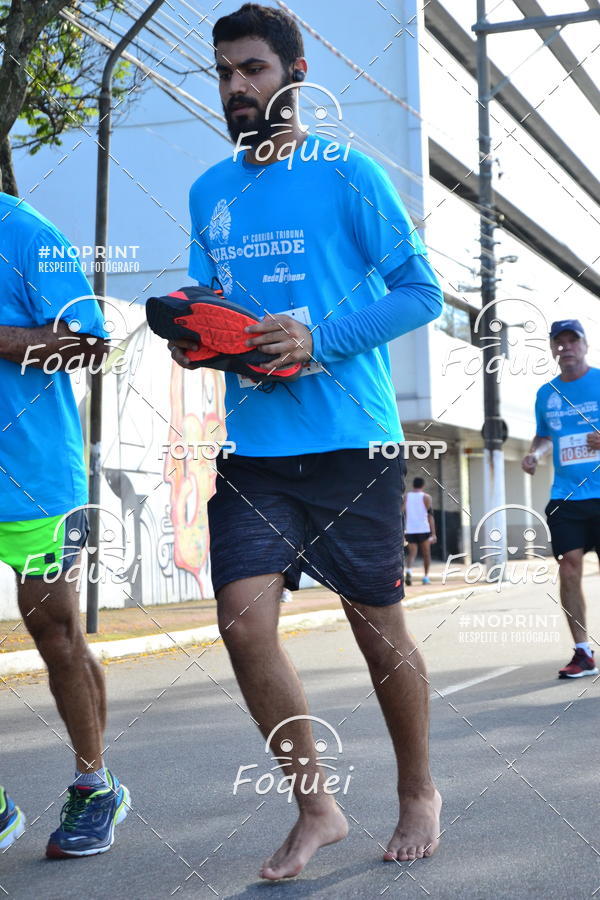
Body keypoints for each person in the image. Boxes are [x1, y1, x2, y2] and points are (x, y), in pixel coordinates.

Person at [168, 3, 444, 878]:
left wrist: (318, 337)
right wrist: (195, 334)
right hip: (254, 452)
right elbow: (217, 310)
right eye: (222, 72)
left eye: (251, 68)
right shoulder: (209, 191)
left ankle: (417, 791)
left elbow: (420, 291)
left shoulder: (348, 173)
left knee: (377, 631)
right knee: (244, 626)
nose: (236, 87)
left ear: (294, 75)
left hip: (350, 443)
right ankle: (315, 807)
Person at [0, 185, 130, 858]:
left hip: (38, 481)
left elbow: (89, 342)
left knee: (54, 632)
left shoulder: (26, 233)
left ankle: (94, 786)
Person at [522, 318, 600, 679]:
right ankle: (582, 652)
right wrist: (534, 455)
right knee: (568, 567)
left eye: (573, 340)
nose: (566, 347)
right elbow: (544, 436)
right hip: (566, 496)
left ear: (585, 345)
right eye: (560, 342)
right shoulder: (546, 394)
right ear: (553, 348)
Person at [404, 477, 437, 585]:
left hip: (410, 529)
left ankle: (408, 571)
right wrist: (433, 533)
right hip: (423, 529)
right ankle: (426, 577)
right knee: (426, 554)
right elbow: (430, 515)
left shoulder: (406, 497)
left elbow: (401, 512)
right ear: (423, 486)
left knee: (412, 553)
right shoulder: (426, 497)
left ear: (413, 485)